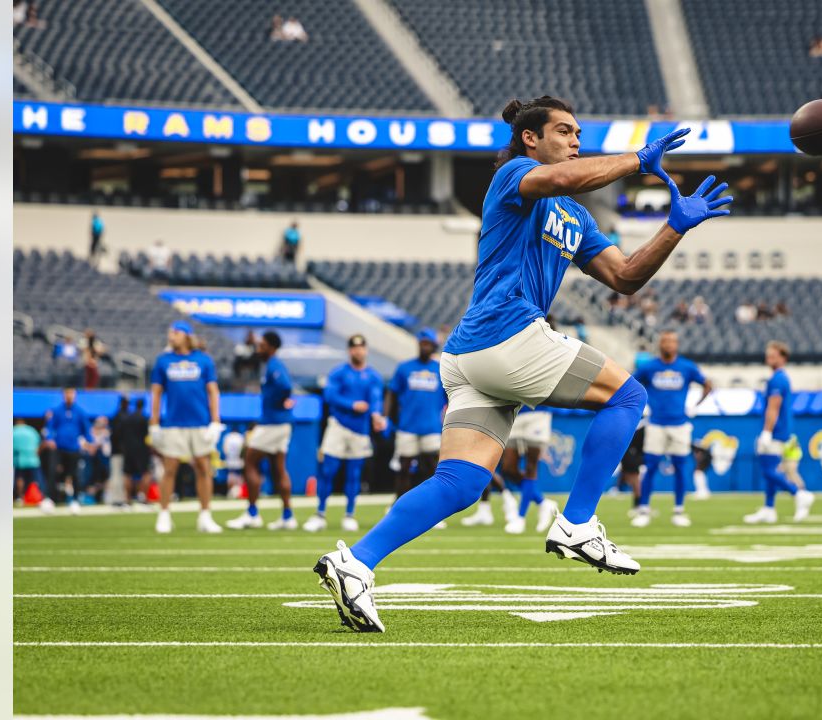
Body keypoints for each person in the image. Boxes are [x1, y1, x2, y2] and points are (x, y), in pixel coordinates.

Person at [313, 95, 730, 633]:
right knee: (628, 396)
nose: (575, 140)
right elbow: (562, 181)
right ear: (530, 137)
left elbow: (625, 277)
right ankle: (578, 522)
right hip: (507, 334)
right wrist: (636, 160)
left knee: (461, 483)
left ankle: (356, 563)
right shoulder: (516, 173)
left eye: (579, 133)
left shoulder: (575, 216)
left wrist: (674, 227)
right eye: (563, 130)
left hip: (470, 355)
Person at [149, 321, 224, 534]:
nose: (171, 336)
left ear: (187, 335)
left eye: (175, 332)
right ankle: (164, 515)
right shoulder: (163, 361)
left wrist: (215, 420)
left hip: (200, 422)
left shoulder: (203, 360)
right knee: (169, 468)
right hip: (174, 423)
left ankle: (205, 516)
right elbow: (156, 393)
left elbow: (213, 391)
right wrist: (154, 422)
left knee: (203, 468)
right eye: (170, 332)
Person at [632, 330, 712, 527]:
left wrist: (695, 406)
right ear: (659, 344)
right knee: (650, 467)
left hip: (679, 424)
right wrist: (643, 405)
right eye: (665, 341)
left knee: (680, 467)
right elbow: (630, 384)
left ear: (677, 344)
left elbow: (708, 385)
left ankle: (678, 510)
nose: (668, 344)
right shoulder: (649, 366)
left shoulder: (686, 366)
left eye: (672, 341)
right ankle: (643, 509)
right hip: (656, 423)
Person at [309, 335, 386, 533]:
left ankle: (349, 514)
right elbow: (330, 395)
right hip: (338, 426)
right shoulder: (339, 372)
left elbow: (376, 398)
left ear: (366, 350)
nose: (357, 351)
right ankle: (320, 513)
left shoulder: (373, 376)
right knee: (328, 470)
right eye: (354, 348)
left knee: (354, 473)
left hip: (360, 429)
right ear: (349, 350)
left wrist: (377, 416)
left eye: (361, 347)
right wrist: (352, 404)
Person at [228, 331, 298, 530]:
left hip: (272, 423)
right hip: (282, 423)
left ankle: (252, 513)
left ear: (272, 347)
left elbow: (285, 386)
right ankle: (287, 515)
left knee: (249, 461)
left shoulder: (275, 365)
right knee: (279, 468)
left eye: (262, 345)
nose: (260, 348)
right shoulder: (271, 364)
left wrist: (278, 402)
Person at [744, 342, 815, 524]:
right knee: (770, 469)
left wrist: (767, 432)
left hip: (776, 431)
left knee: (767, 470)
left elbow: (773, 407)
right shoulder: (779, 378)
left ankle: (798, 493)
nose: (770, 359)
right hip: (780, 431)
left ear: (783, 357)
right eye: (768, 355)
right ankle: (769, 508)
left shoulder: (778, 379)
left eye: (774, 355)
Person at [387, 329, 449, 509]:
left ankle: (433, 509)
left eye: (428, 344)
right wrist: (389, 418)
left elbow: (449, 397)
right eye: (422, 343)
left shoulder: (439, 369)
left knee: (433, 470)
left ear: (433, 347)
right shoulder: (404, 367)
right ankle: (399, 508)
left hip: (431, 427)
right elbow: (392, 393)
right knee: (403, 469)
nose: (424, 347)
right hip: (407, 426)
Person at [500, 405, 560, 534]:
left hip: (537, 413)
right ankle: (542, 502)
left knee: (531, 466)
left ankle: (520, 517)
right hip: (513, 413)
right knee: (508, 468)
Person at [43, 386, 92, 513]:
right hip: (59, 447)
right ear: (64, 395)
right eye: (67, 393)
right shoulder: (57, 411)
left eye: (71, 393)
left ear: (75, 395)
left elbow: (86, 430)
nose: (69, 396)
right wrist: (49, 438)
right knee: (53, 472)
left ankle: (75, 500)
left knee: (75, 474)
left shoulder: (80, 412)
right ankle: (50, 499)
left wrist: (90, 443)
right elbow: (50, 427)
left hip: (74, 448)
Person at [120, 398, 152, 505]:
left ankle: (127, 498)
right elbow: (147, 436)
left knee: (128, 474)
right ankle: (142, 496)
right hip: (142, 450)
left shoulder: (127, 418)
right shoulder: (144, 419)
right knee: (146, 473)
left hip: (128, 449)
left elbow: (122, 434)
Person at [14, 417, 43, 507]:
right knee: (36, 480)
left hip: (20, 460)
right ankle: (39, 498)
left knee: (20, 479)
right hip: (33, 459)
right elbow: (39, 444)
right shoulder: (32, 431)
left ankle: (20, 497)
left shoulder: (14, 431)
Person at [86, 416, 112, 503]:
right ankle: (90, 496)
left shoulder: (106, 432)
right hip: (92, 460)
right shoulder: (90, 432)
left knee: (105, 479)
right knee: (92, 479)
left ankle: (103, 495)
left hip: (104, 459)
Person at [222, 427, 245, 499]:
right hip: (239, 460)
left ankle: (231, 493)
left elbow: (225, 450)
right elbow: (243, 450)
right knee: (239, 477)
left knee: (231, 475)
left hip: (230, 460)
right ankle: (238, 493)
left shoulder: (227, 437)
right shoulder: (240, 437)